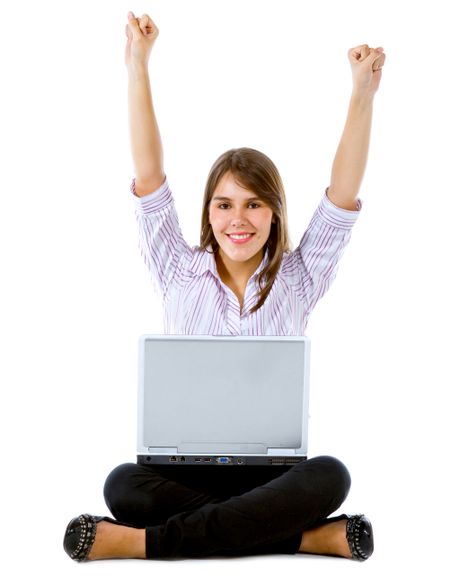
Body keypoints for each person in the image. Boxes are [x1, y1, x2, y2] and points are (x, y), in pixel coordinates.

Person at [63, 11, 385, 562]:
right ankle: (304, 538)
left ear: (274, 212)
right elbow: (149, 175)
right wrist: (138, 65)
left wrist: (362, 94)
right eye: (225, 204)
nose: (239, 220)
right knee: (123, 485)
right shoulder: (175, 267)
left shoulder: (300, 275)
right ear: (208, 212)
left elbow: (342, 195)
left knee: (331, 475)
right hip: (183, 472)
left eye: (254, 204)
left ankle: (139, 545)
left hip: (271, 475)